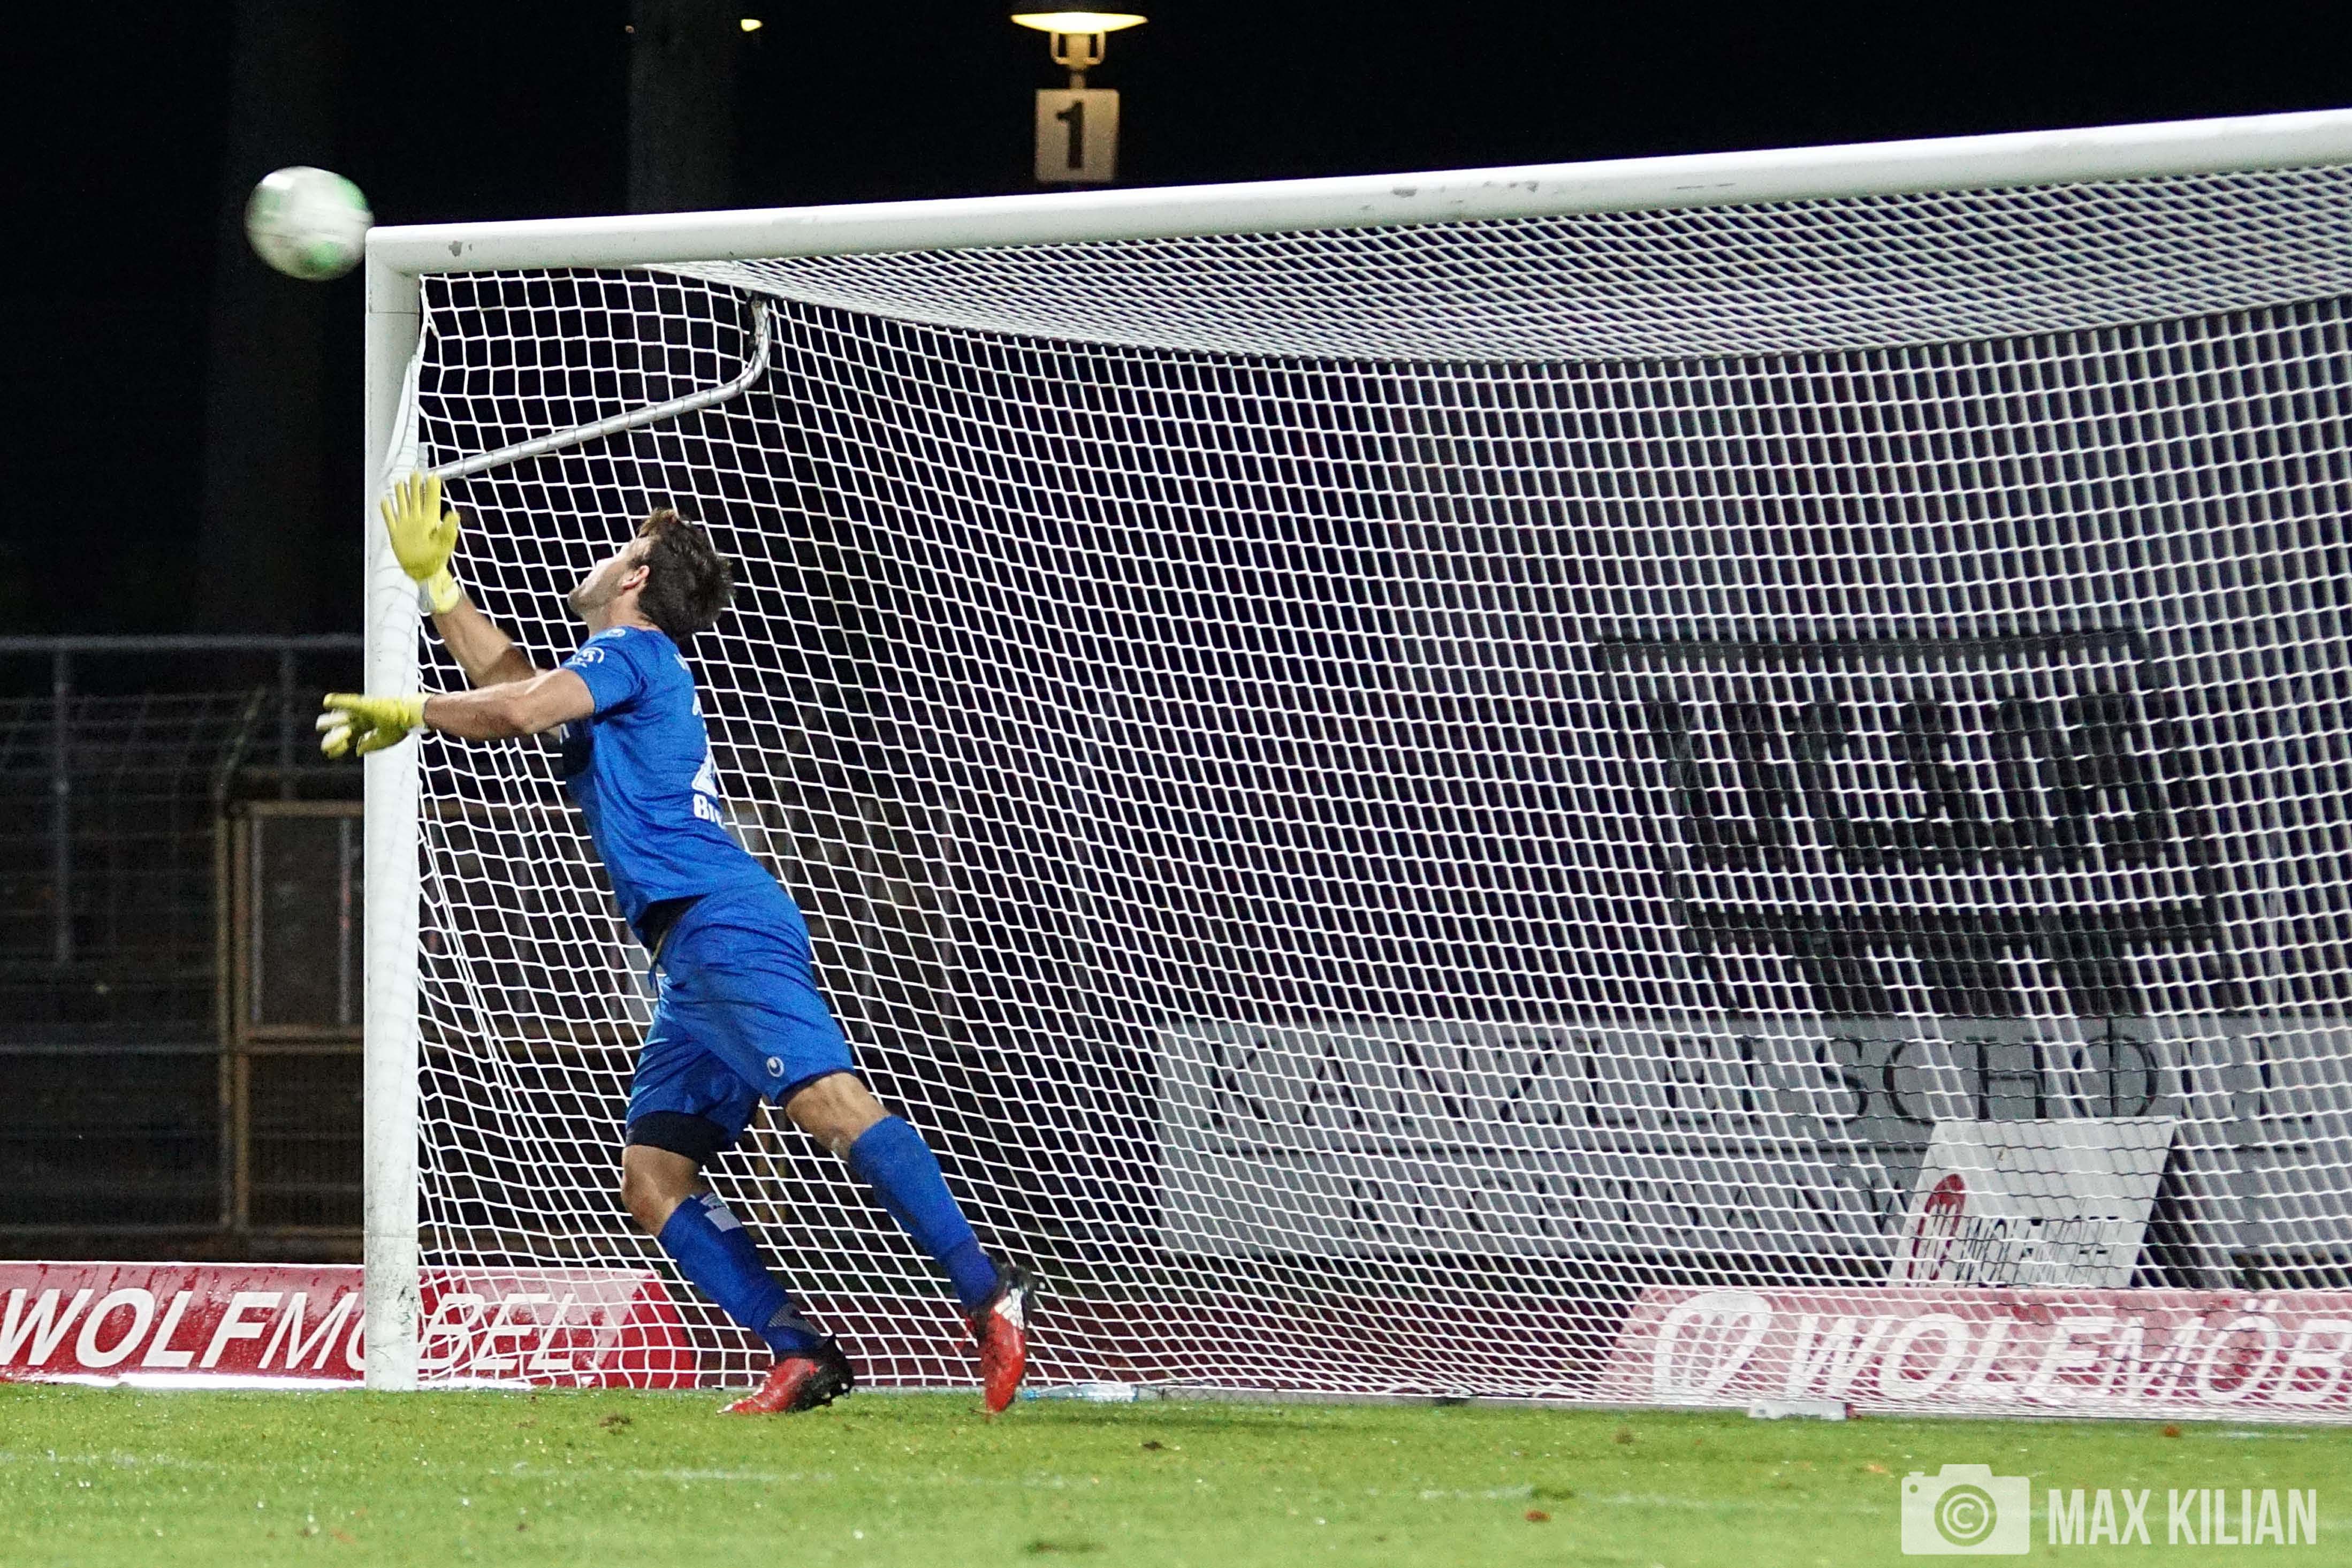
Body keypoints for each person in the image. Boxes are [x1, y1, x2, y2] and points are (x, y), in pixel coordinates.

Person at [321, 474, 1032, 1414]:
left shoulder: (633, 650)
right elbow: (514, 685)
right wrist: (440, 587)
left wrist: (412, 710)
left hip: (719, 922)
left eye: (618, 547)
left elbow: (518, 710)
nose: (600, 557)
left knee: (827, 1103)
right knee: (654, 1178)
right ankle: (799, 1349)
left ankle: (987, 1290)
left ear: (636, 576)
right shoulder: (621, 669)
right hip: (689, 952)